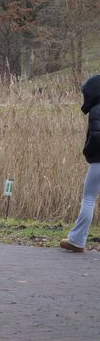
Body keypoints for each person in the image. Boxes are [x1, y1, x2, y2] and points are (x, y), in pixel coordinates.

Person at [61, 75, 100, 253]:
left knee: (89, 198)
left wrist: (87, 151)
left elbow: (97, 137)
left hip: (98, 161)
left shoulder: (97, 109)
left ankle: (77, 240)